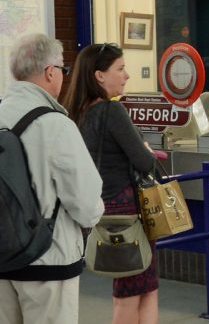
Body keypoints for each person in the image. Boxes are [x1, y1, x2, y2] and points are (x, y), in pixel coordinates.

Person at [0, 33, 104, 324]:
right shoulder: (55, 125)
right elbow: (86, 202)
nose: (63, 76)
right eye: (63, 70)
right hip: (48, 263)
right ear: (50, 72)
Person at [61, 43, 161, 324]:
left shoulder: (76, 113)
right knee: (134, 292)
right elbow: (144, 161)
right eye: (120, 69)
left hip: (99, 207)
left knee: (140, 287)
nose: (126, 75)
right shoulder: (111, 112)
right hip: (128, 211)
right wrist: (146, 149)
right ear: (99, 76)